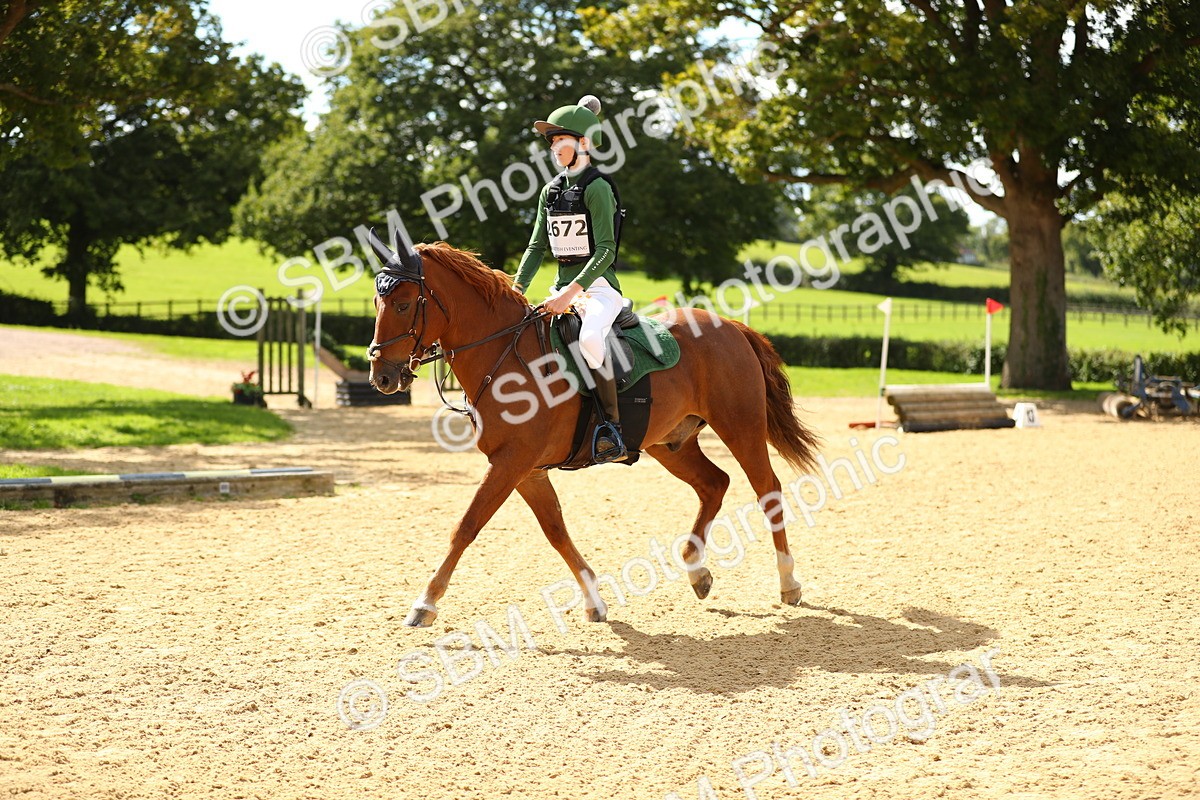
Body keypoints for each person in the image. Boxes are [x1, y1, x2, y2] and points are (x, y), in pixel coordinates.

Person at [513, 95, 628, 463]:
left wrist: (572, 293)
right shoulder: (550, 191)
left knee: (591, 336)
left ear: (583, 143)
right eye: (551, 143)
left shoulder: (598, 188)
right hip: (562, 290)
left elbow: (606, 250)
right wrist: (514, 291)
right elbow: (535, 248)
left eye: (560, 141)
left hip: (598, 290)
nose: (554, 149)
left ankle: (612, 427)